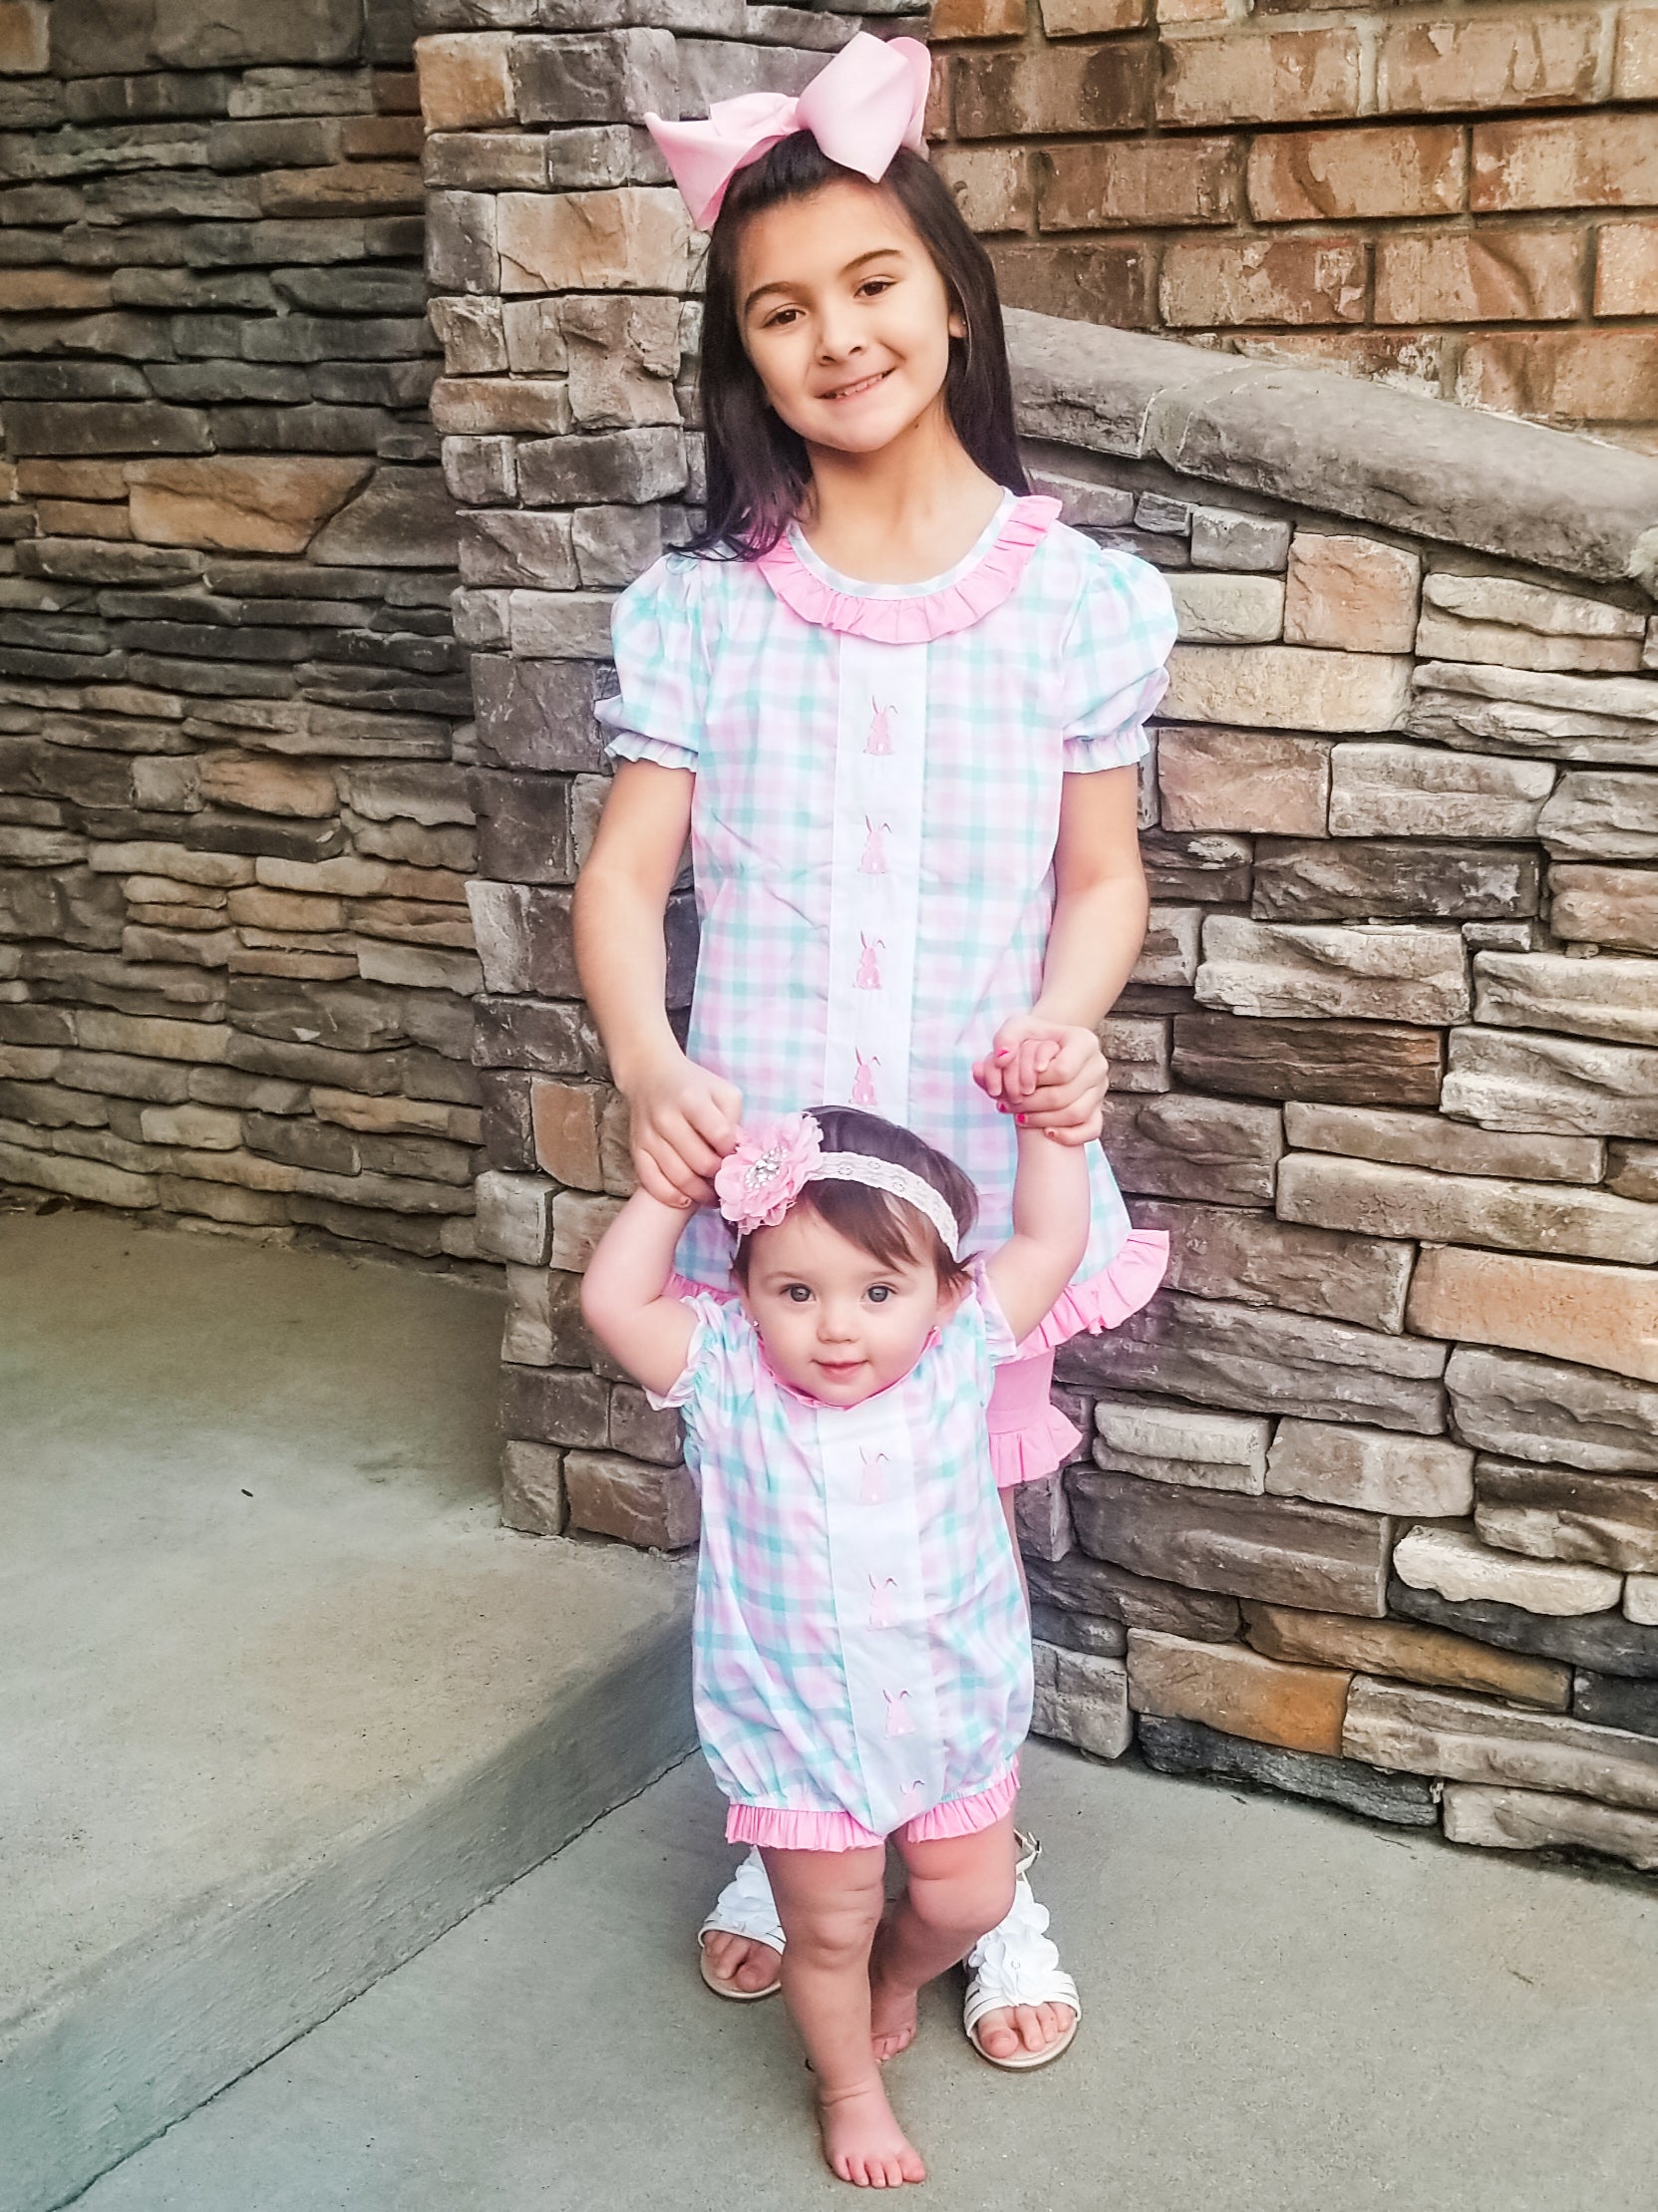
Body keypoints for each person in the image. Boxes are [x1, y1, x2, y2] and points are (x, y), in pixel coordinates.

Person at [572, 29, 1176, 2070]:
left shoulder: (1077, 602)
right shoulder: (704, 610)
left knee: (943, 1523)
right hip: (771, 1172)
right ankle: (793, 1823)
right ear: (744, 357)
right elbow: (619, 877)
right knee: (775, 1502)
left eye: (870, 283)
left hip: (973, 1162)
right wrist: (647, 1059)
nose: (836, 336)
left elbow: (1101, 876)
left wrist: (1063, 1025)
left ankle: (982, 1863)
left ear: (950, 298)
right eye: (780, 311)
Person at [581, 1106, 1097, 2186]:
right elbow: (614, 1299)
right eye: (796, 1291)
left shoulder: (959, 1349)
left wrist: (1053, 1126)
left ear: (942, 1291)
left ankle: (897, 1976)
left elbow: (1051, 1238)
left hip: (951, 1713)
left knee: (968, 1900)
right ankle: (848, 2087)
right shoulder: (723, 1371)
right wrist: (668, 1189)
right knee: (826, 1928)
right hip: (800, 1731)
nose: (836, 1328)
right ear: (743, 1290)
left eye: (877, 1291)